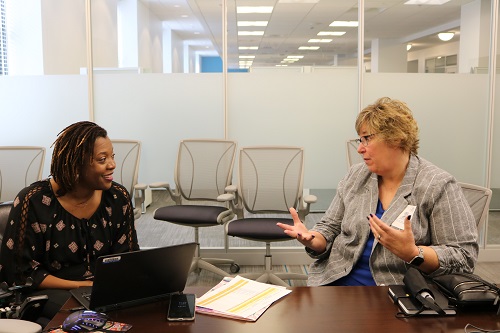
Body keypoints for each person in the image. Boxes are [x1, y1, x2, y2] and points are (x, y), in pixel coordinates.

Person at [278, 97, 479, 287]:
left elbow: (464, 257)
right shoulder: (356, 176)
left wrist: (413, 253)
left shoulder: (437, 185)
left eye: (367, 139)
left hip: (397, 290)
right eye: (360, 140)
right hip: (335, 280)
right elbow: (330, 228)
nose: (360, 149)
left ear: (396, 139)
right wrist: (313, 238)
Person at [0, 121, 139, 325]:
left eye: (112, 156)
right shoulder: (34, 201)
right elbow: (20, 273)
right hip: (52, 290)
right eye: (102, 159)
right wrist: (80, 285)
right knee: (93, 318)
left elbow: (127, 255)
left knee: (148, 308)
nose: (112, 165)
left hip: (103, 289)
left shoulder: (117, 197)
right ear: (77, 164)